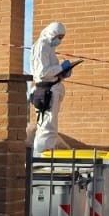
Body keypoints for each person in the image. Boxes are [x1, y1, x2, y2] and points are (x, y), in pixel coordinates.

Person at [29, 21, 76, 154]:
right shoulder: (42, 46)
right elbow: (42, 73)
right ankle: (42, 155)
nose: (59, 41)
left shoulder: (48, 47)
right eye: (59, 37)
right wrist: (61, 67)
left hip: (49, 88)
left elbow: (50, 72)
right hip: (46, 90)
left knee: (49, 125)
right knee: (47, 126)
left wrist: (63, 72)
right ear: (52, 33)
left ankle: (44, 152)